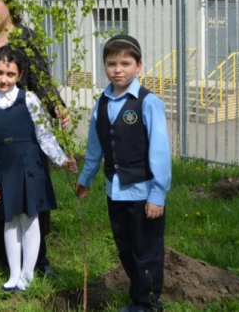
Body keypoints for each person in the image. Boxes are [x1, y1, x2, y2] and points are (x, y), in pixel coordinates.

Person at [0, 0, 70, 274]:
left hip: (23, 131)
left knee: (27, 190)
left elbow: (41, 78)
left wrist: (56, 106)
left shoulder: (26, 38)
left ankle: (38, 259)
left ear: (8, 5)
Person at [75, 34, 172, 312]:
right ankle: (138, 297)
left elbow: (160, 152)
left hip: (143, 194)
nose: (118, 70)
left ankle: (148, 304)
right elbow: (95, 146)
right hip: (114, 193)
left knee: (147, 252)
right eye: (111, 63)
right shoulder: (102, 102)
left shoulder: (148, 102)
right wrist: (86, 178)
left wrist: (157, 194)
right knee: (125, 249)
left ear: (138, 66)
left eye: (125, 63)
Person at [0, 46, 77, 292]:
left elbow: (44, 135)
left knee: (30, 219)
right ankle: (14, 274)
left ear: (20, 75)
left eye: (10, 74)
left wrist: (61, 159)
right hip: (5, 168)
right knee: (10, 221)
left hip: (30, 166)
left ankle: (28, 275)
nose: (4, 79)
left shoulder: (30, 100)